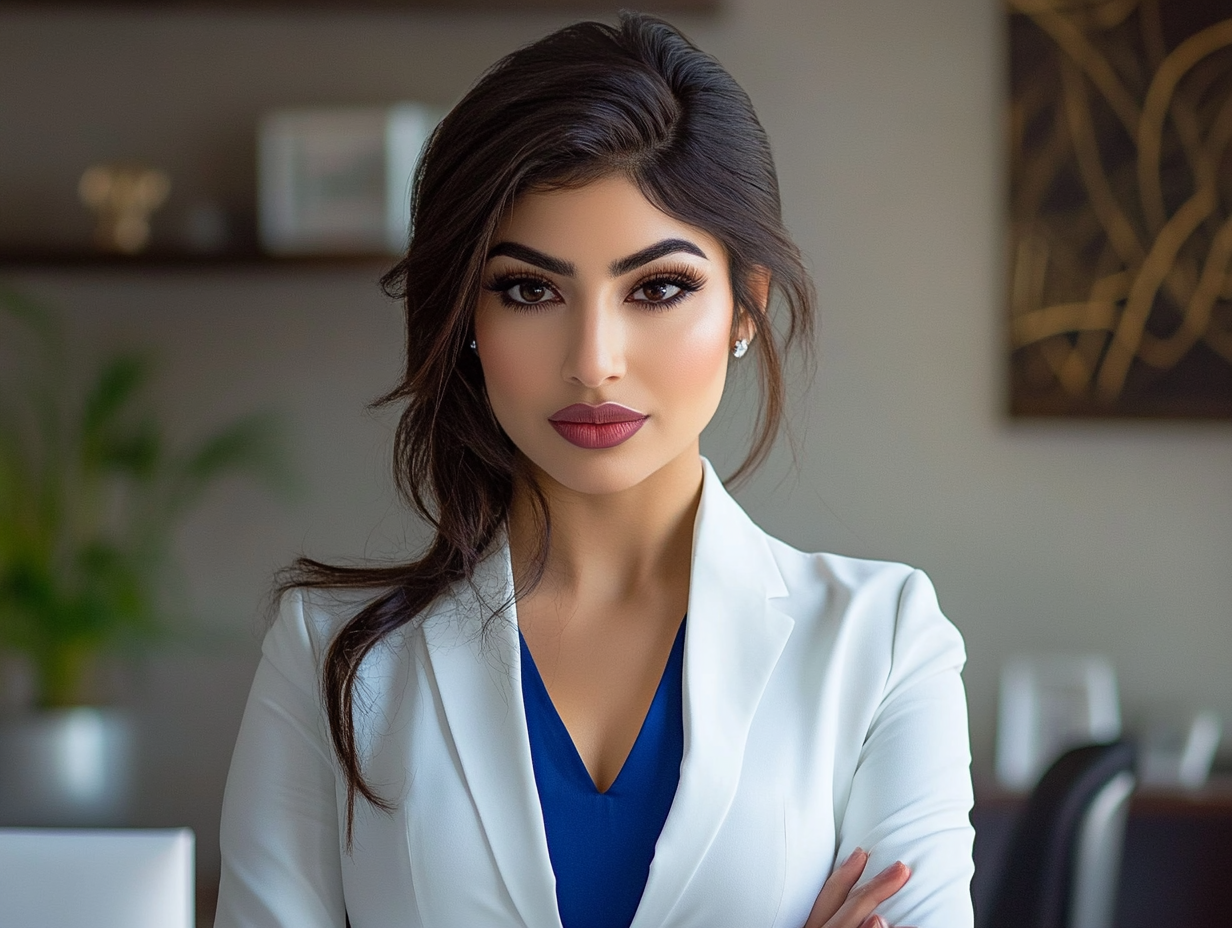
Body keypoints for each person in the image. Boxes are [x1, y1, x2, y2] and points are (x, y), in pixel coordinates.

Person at [214, 13, 974, 928]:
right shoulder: (332, 659)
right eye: (529, 290)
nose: (594, 359)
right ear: (467, 320)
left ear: (746, 307)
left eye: (658, 288)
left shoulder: (882, 645)